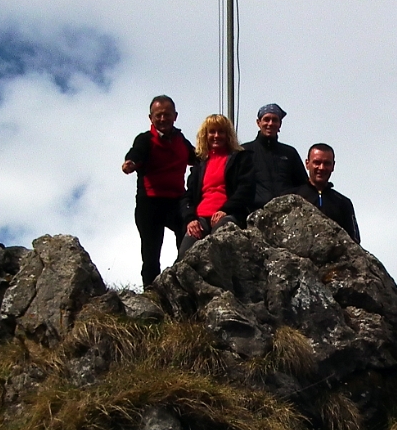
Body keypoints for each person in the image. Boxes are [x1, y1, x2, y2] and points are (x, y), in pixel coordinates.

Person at [122, 95, 197, 288]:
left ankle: (182, 285)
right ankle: (152, 295)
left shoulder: (181, 140)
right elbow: (137, 152)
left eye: (167, 115)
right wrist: (130, 163)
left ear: (175, 116)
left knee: (189, 241)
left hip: (176, 202)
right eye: (158, 115)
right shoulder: (145, 139)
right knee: (151, 254)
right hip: (150, 203)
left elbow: (197, 157)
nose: (163, 119)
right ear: (151, 118)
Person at [180, 114, 254, 254]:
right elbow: (187, 196)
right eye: (212, 132)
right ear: (205, 135)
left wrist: (225, 210)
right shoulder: (200, 164)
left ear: (228, 135)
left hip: (228, 215)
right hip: (200, 218)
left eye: (221, 132)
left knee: (217, 250)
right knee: (184, 255)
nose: (216, 136)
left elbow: (246, 189)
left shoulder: (240, 159)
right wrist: (190, 219)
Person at [242, 103, 308, 209]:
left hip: (288, 213)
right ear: (258, 122)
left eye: (275, 120)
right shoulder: (245, 151)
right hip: (254, 213)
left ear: (280, 124)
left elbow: (303, 185)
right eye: (266, 119)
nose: (270, 123)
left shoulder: (290, 153)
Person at [295, 143, 360, 242]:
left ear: (333, 166)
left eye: (327, 163)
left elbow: (354, 242)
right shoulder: (293, 196)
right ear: (307, 164)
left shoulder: (343, 203)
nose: (321, 168)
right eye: (317, 162)